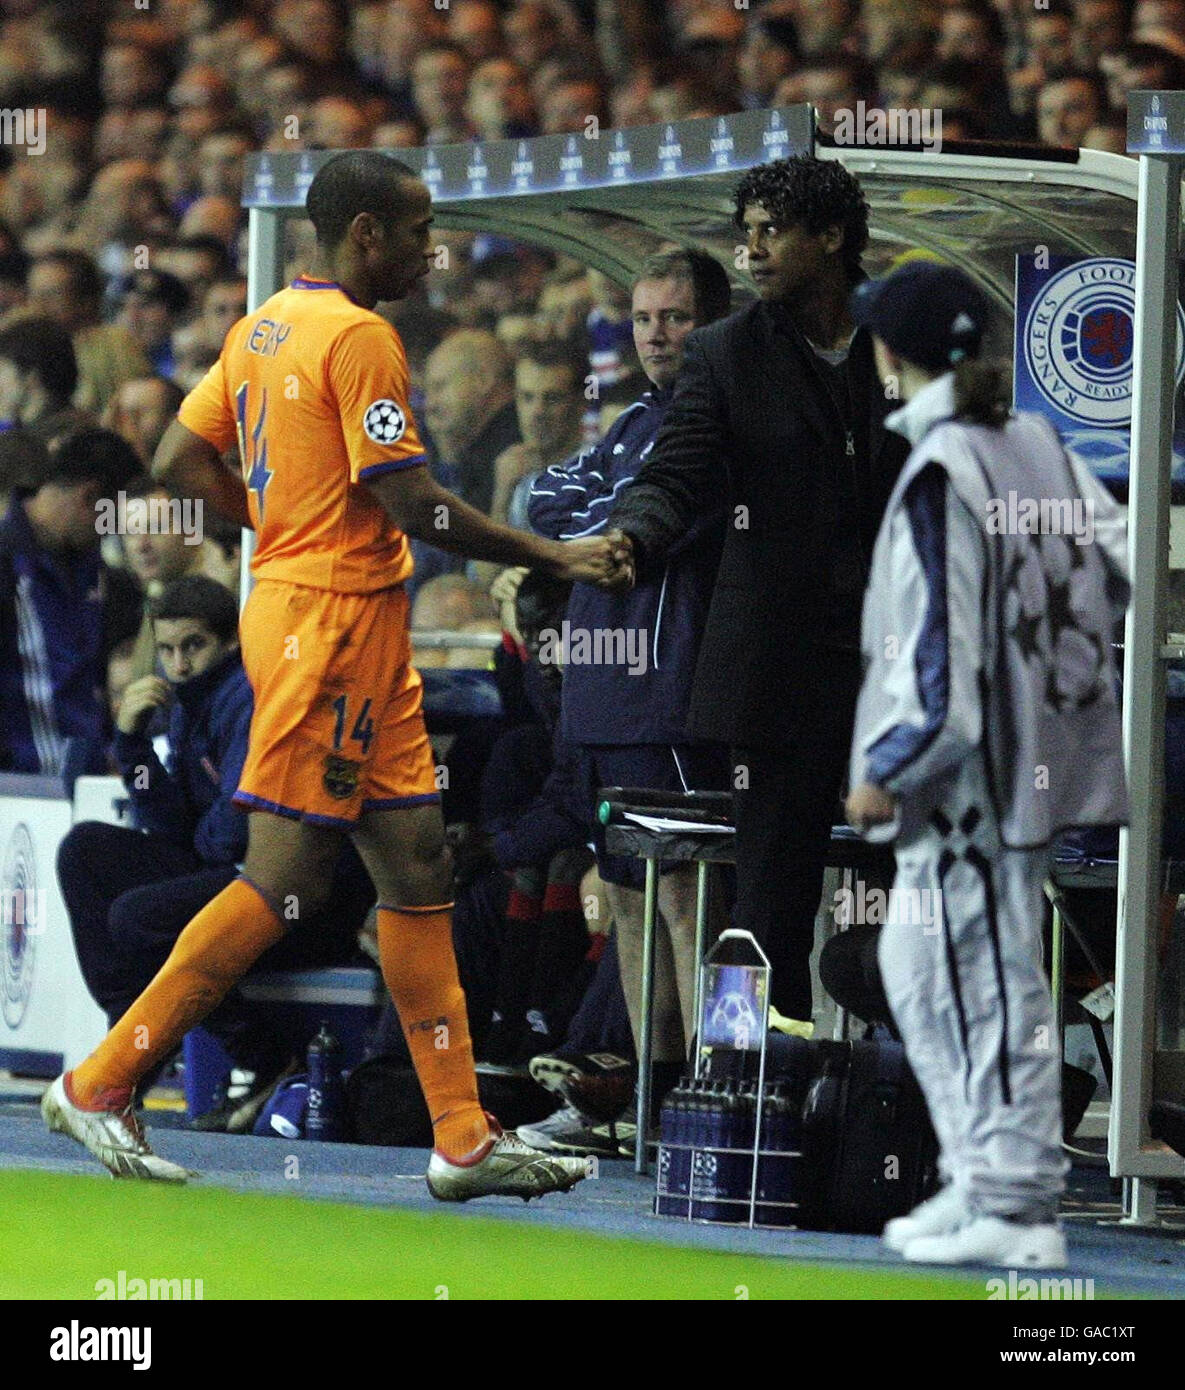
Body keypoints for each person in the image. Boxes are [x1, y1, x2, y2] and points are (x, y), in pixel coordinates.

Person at [42, 150, 626, 1201]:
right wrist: (555, 552)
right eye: (415, 230)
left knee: (415, 870)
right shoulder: (362, 338)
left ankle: (461, 1134)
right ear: (365, 232)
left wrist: (276, 518)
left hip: (333, 617)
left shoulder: (267, 324)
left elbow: (178, 459)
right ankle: (101, 1079)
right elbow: (419, 510)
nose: (429, 247)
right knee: (285, 881)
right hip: (329, 627)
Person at [843, 262, 1129, 1268]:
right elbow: (1122, 560)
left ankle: (1016, 1205)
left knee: (975, 977)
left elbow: (940, 658)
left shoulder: (943, 468)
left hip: (964, 780)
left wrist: (891, 761)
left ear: (893, 352)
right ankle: (981, 1179)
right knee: (927, 969)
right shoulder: (1037, 444)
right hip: (1030, 761)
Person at [608, 156, 909, 1023]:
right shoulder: (725, 354)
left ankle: (899, 1103)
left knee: (915, 893)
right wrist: (631, 535)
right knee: (766, 900)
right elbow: (677, 472)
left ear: (831, 237)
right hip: (776, 676)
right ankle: (752, 1093)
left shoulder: (902, 337)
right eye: (744, 234)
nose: (751, 252)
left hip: (896, 671)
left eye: (770, 231)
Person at [522, 249, 733, 1153]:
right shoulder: (636, 420)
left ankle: (715, 1094)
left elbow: (620, 511)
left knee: (690, 898)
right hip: (604, 698)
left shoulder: (716, 419)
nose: (657, 334)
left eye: (677, 317)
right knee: (630, 895)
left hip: (671, 695)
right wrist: (594, 506)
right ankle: (648, 1101)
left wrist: (597, 506)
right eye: (644, 319)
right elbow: (543, 498)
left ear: (714, 322)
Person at [58, 575, 371, 1130]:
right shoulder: (188, 702)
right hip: (230, 873)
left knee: (138, 919)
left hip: (295, 899)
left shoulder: (249, 696)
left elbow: (230, 836)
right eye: (169, 649)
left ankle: (268, 1061)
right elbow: (177, 830)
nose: (178, 664)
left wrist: (193, 827)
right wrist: (131, 745)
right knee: (85, 853)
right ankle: (130, 1040)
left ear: (230, 643)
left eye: (193, 647)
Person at [0, 428, 142, 777]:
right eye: (108, 521)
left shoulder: (95, 570)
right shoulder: (6, 565)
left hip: (86, 785)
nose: (107, 534)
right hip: (20, 792)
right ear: (89, 497)